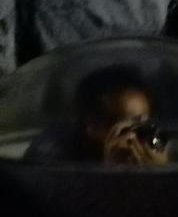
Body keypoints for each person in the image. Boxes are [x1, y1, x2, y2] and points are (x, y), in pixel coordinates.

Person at [23, 65, 169, 166]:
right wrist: (108, 172)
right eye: (115, 124)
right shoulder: (53, 152)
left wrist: (160, 170)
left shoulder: (152, 142)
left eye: (139, 123)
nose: (131, 137)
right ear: (90, 125)